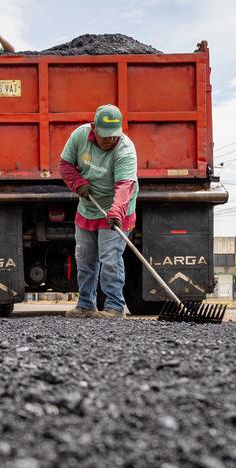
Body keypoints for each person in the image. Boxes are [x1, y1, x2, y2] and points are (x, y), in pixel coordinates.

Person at [58, 104, 139, 319]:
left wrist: (116, 212)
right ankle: (85, 305)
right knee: (85, 259)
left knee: (110, 259)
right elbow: (65, 164)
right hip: (88, 208)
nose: (111, 141)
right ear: (94, 127)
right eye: (105, 137)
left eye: (114, 136)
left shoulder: (125, 150)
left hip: (117, 210)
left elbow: (124, 187)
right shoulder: (80, 136)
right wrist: (77, 182)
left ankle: (114, 307)